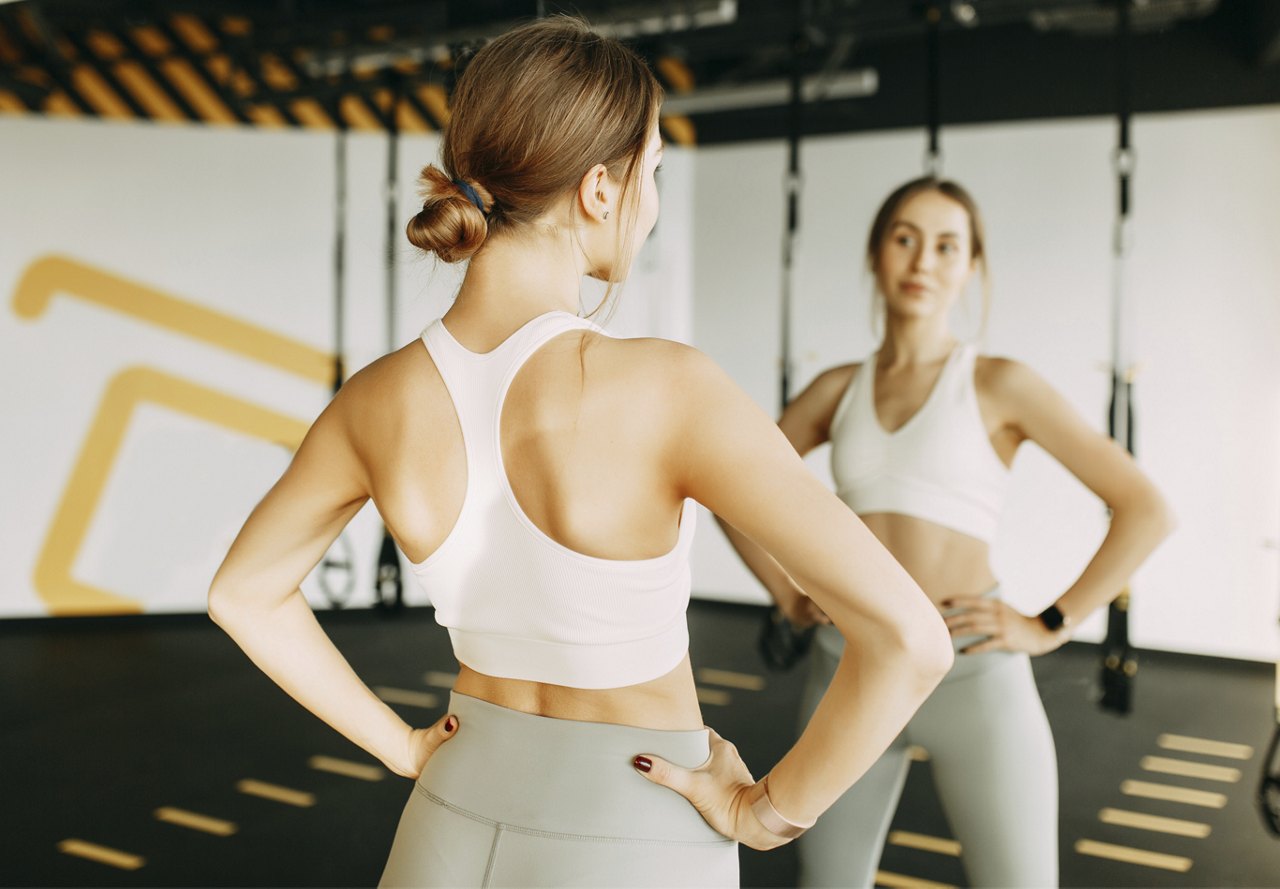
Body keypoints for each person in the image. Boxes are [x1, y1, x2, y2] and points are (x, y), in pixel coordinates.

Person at [207, 18, 954, 888]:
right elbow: (910, 639)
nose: (656, 202)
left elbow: (242, 594)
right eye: (656, 172)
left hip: (446, 820)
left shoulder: (374, 398)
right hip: (637, 832)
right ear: (599, 190)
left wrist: (399, 743)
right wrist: (768, 811)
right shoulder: (668, 386)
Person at [718, 176, 1175, 888]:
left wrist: (1050, 622)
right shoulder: (838, 388)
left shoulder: (999, 383)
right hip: (851, 662)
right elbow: (730, 486)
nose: (922, 261)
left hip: (975, 671)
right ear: (876, 254)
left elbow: (1147, 507)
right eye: (904, 238)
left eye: (946, 245)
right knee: (827, 883)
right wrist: (788, 592)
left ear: (971, 266)